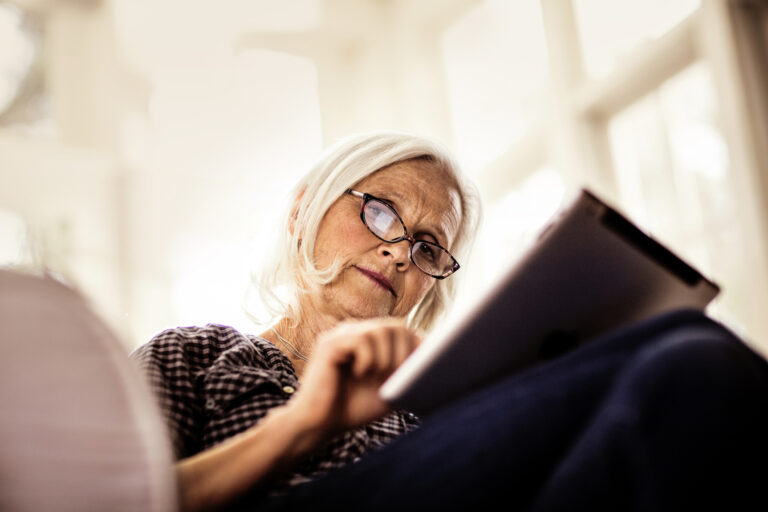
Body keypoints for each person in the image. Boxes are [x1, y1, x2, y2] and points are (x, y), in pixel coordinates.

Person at [132, 131, 768, 512]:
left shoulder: (427, 411)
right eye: (381, 212)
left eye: (428, 247)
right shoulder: (193, 355)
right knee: (693, 349)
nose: (400, 252)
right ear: (306, 209)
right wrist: (304, 423)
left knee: (686, 378)